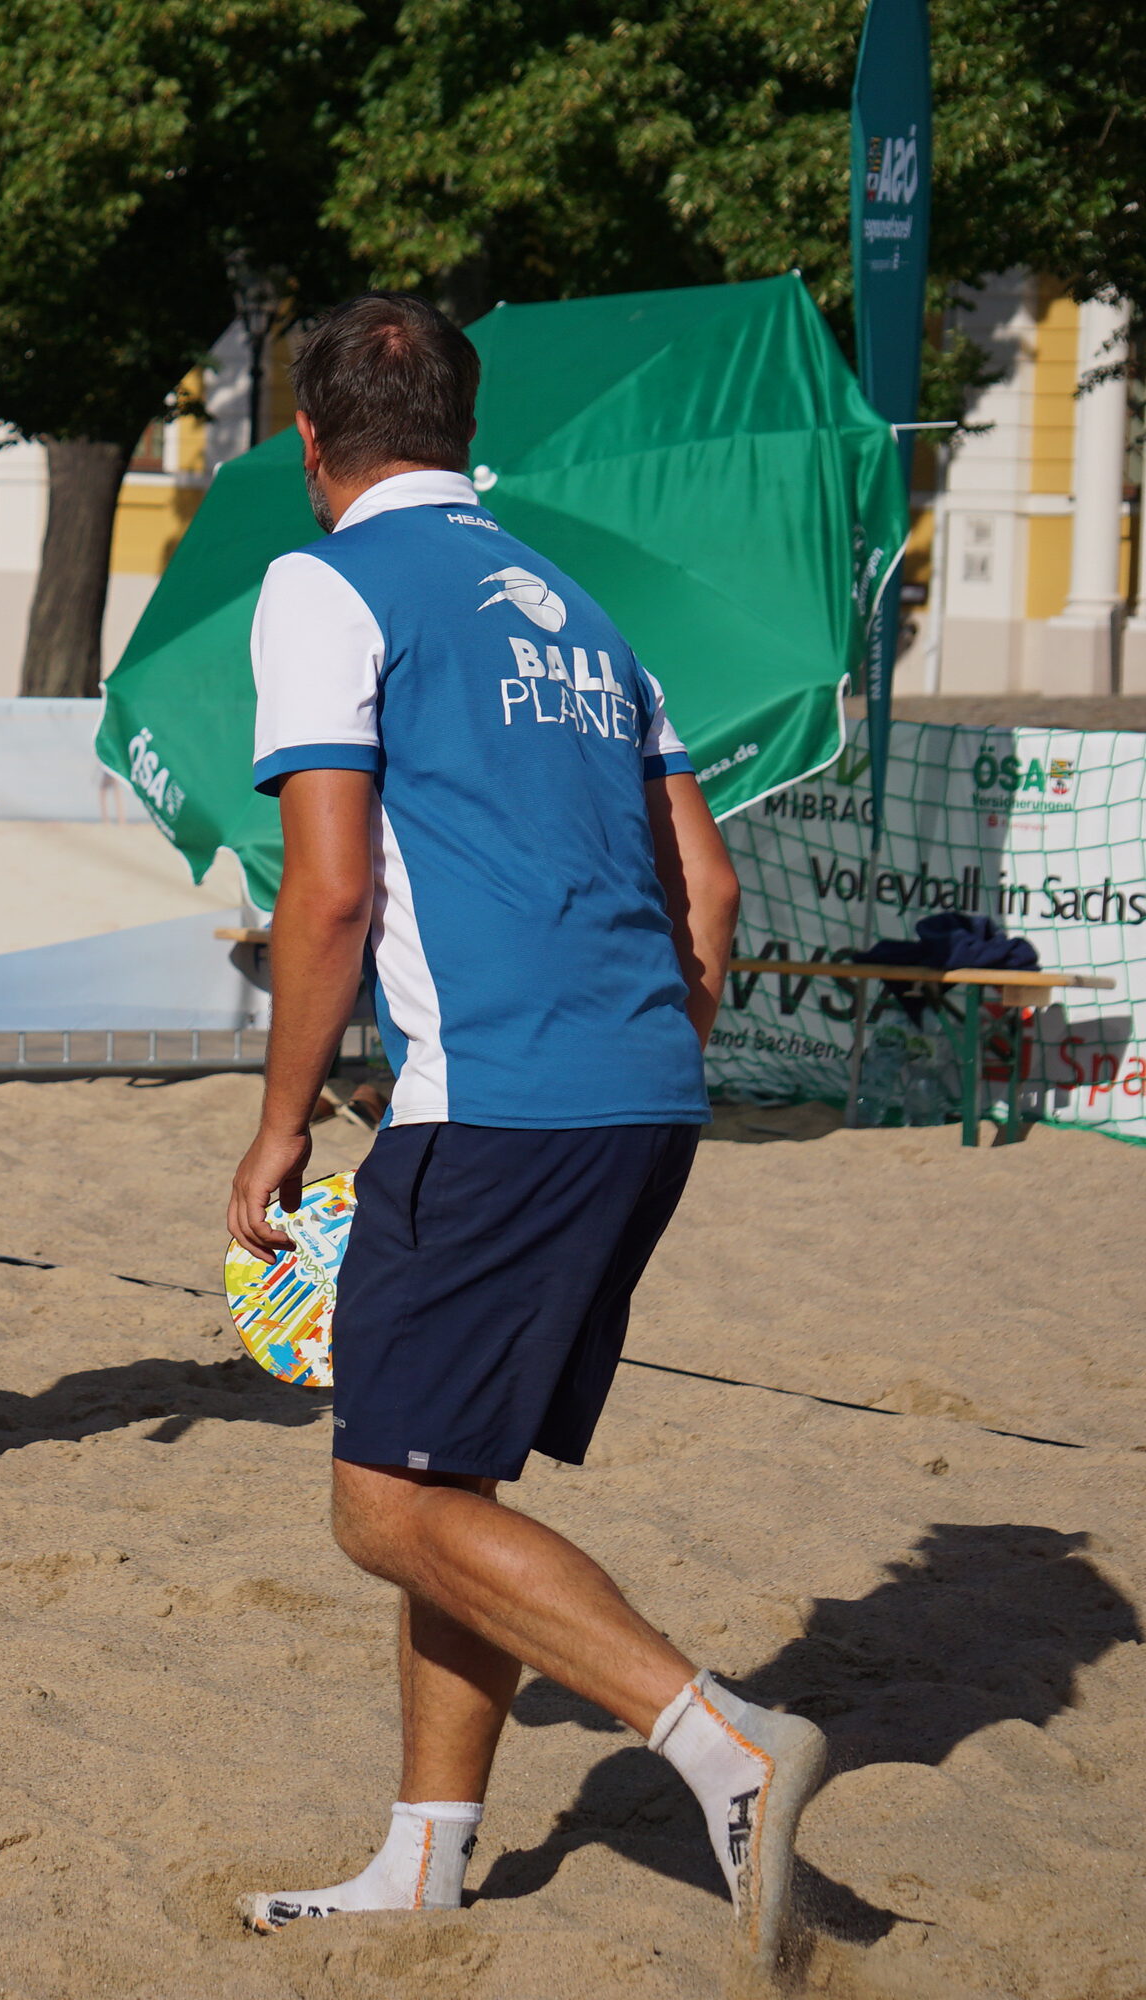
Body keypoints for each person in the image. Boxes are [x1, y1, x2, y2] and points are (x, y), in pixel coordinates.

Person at [226, 295, 825, 1962]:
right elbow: (707, 889)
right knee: (444, 1473)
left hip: (494, 1097)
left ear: (307, 442)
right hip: (641, 1089)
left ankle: (723, 1742)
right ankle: (425, 1856)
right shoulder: (583, 608)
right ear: (464, 427)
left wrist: (278, 1123)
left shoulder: (321, 581)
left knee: (381, 1504)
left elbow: (328, 892)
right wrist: (642, 1057)